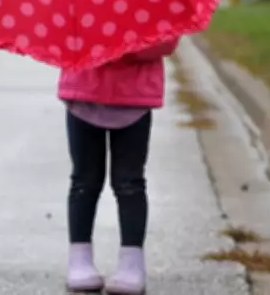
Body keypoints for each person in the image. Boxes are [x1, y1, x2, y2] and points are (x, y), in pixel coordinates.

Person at [58, 39, 180, 294]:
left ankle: (131, 261)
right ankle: (79, 257)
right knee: (84, 181)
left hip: (133, 97)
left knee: (130, 183)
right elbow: (61, 36)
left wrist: (120, 43)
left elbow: (166, 40)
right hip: (84, 90)